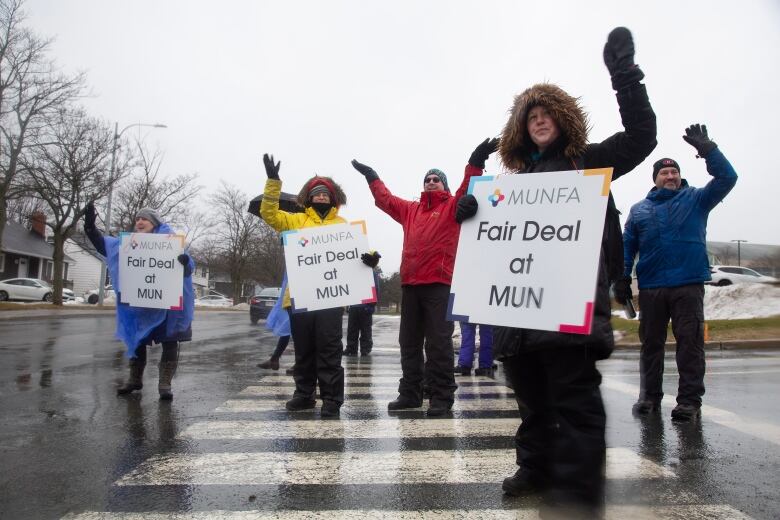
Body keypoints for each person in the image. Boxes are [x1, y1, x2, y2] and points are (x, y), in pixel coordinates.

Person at [458, 27, 656, 517]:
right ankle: (535, 468)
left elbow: (640, 138)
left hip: (568, 311)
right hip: (517, 319)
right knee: (530, 402)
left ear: (563, 121)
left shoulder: (589, 165)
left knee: (574, 403)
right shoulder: (510, 185)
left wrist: (625, 78)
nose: (539, 122)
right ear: (520, 130)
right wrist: (471, 211)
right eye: (531, 118)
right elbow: (489, 243)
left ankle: (577, 498)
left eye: (546, 115)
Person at [351, 137, 498, 417]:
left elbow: (469, 185)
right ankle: (410, 393)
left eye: (436, 179)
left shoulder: (453, 206)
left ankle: (441, 397)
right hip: (411, 286)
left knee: (438, 344)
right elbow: (385, 200)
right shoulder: (411, 210)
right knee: (408, 343)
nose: (431, 182)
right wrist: (372, 177)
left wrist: (476, 160)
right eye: (427, 179)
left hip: (439, 285)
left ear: (444, 185)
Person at [616, 124, 737, 422]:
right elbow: (627, 246)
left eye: (674, 172)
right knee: (651, 346)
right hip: (652, 286)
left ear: (680, 176)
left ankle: (689, 402)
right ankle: (649, 398)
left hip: (688, 285)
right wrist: (621, 277)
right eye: (664, 173)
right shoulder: (639, 210)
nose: (670, 176)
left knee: (690, 345)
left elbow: (727, 178)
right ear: (655, 180)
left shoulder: (697, 199)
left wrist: (708, 150)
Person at [259, 153, 376, 417]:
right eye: (316, 193)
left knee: (330, 350)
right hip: (299, 298)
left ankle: (332, 399)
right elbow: (268, 214)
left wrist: (371, 259)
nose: (321, 196)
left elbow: (354, 256)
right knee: (304, 351)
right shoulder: (295, 220)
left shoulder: (342, 225)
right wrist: (272, 182)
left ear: (333, 198)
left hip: (330, 299)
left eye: (325, 193)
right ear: (308, 197)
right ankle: (304, 394)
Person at [84, 203, 195, 400]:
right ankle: (135, 379)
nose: (140, 222)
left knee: (169, 343)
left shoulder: (171, 242)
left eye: (144, 219)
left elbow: (187, 269)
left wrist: (185, 262)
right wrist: (90, 227)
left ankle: (165, 384)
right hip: (142, 304)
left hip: (168, 306)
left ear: (154, 223)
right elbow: (105, 247)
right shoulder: (129, 244)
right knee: (137, 341)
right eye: (137, 219)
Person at [344, 258, 381, 356]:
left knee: (365, 329)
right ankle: (352, 348)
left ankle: (365, 349)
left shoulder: (372, 273)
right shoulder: (354, 274)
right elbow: (350, 289)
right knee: (352, 329)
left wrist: (371, 305)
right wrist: (349, 304)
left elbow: (376, 289)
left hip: (365, 306)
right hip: (355, 305)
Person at [257, 274, 293, 373]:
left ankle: (275, 359)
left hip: (299, 295)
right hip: (291, 296)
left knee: (296, 329)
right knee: (287, 327)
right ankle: (275, 359)